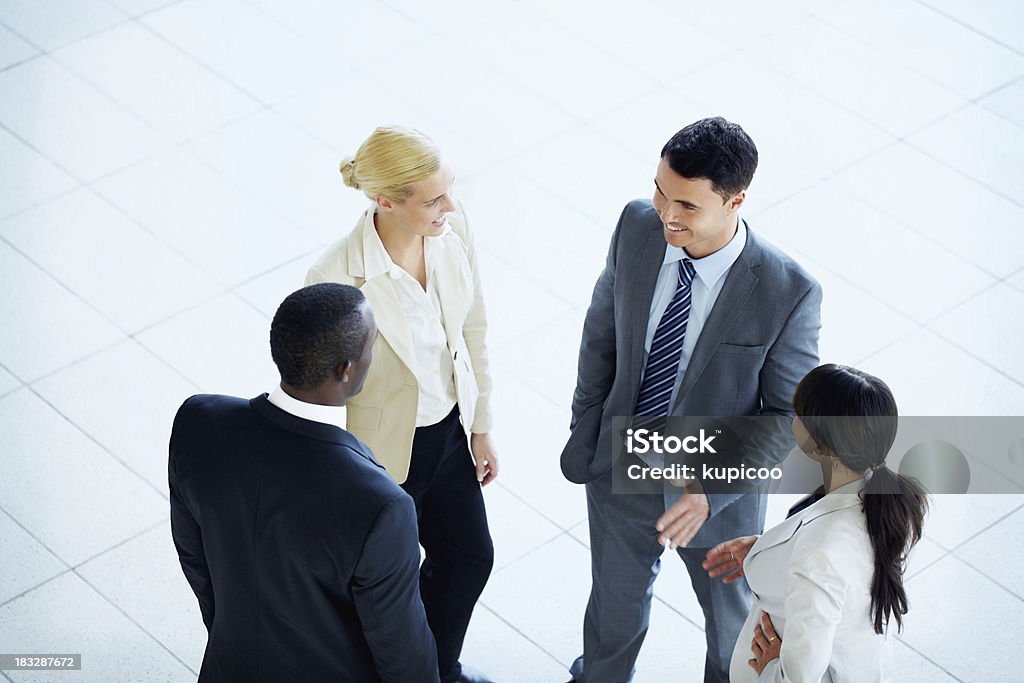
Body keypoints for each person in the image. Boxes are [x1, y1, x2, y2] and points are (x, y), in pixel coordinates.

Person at [562, 117, 822, 682]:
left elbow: (787, 418)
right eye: (661, 190)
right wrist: (587, 424)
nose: (667, 214)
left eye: (687, 205)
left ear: (735, 201)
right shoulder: (637, 225)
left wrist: (710, 489)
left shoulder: (788, 290)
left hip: (716, 499)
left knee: (731, 636)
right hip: (620, 466)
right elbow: (601, 332)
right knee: (612, 617)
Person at [169, 283, 439, 682]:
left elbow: (194, 555)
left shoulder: (200, 421)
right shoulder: (381, 504)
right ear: (347, 369)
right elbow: (400, 647)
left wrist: (236, 634)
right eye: (372, 343)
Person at [305, 125, 496, 683]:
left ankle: (439, 669)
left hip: (448, 432)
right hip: (380, 453)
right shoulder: (337, 277)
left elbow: (473, 329)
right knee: (386, 581)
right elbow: (320, 397)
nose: (450, 205)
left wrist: (481, 424)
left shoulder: (453, 230)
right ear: (385, 201)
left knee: (468, 558)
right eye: (433, 199)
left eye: (449, 189)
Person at [704, 364, 929, 681]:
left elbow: (800, 676)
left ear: (822, 445)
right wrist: (773, 549)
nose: (794, 418)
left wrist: (772, 667)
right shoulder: (881, 499)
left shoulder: (820, 554)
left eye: (801, 415)